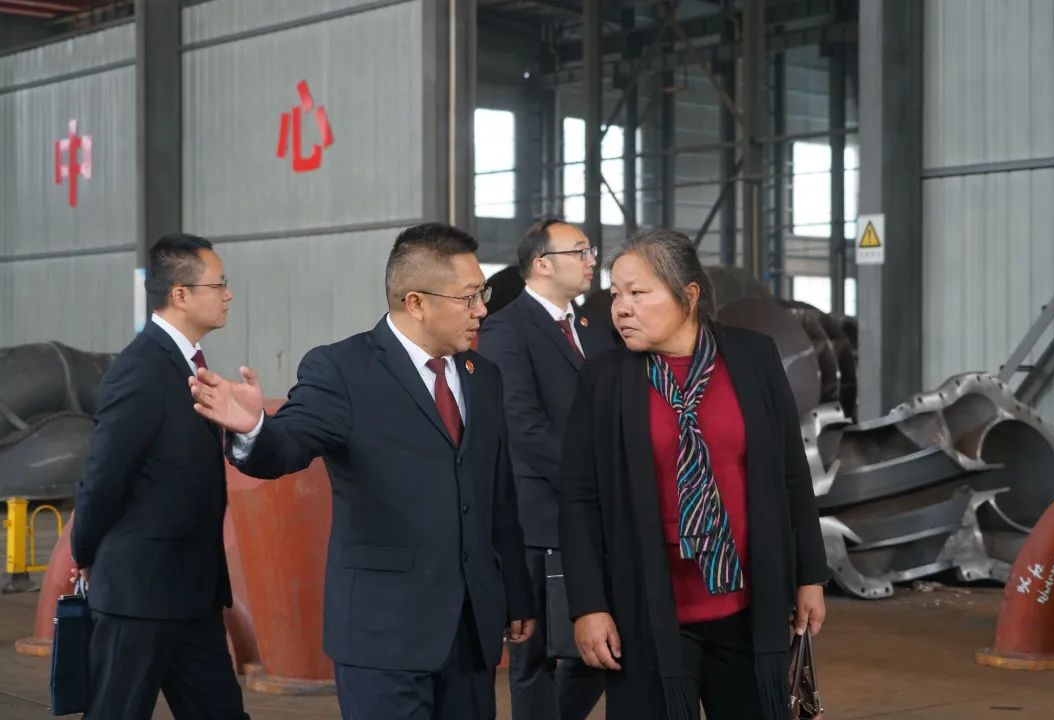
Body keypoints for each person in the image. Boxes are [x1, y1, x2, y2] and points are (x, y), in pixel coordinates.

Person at [189, 222, 535, 720]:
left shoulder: (484, 378)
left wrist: (515, 594)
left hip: (469, 633)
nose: (481, 309)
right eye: (469, 297)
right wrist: (255, 429)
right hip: (383, 637)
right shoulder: (343, 370)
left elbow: (498, 495)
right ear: (416, 302)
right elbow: (287, 446)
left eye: (481, 294)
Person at [559, 229, 829, 720]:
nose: (621, 309)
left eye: (638, 293)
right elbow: (580, 499)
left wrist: (810, 575)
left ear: (688, 295)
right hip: (646, 610)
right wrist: (588, 606)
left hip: (748, 606)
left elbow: (792, 473)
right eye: (616, 294)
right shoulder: (606, 379)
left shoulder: (753, 357)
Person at [71, 233, 248, 720]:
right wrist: (85, 553)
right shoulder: (142, 369)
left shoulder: (188, 364)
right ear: (180, 295)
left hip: (193, 593)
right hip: (140, 596)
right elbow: (103, 476)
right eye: (219, 284)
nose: (229, 294)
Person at [479, 219, 610, 720]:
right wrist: (591, 483)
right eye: (579, 251)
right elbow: (523, 427)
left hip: (589, 516)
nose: (591, 260)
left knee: (593, 651)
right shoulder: (506, 328)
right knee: (534, 658)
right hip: (539, 520)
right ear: (542, 264)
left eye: (590, 250)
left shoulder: (591, 327)